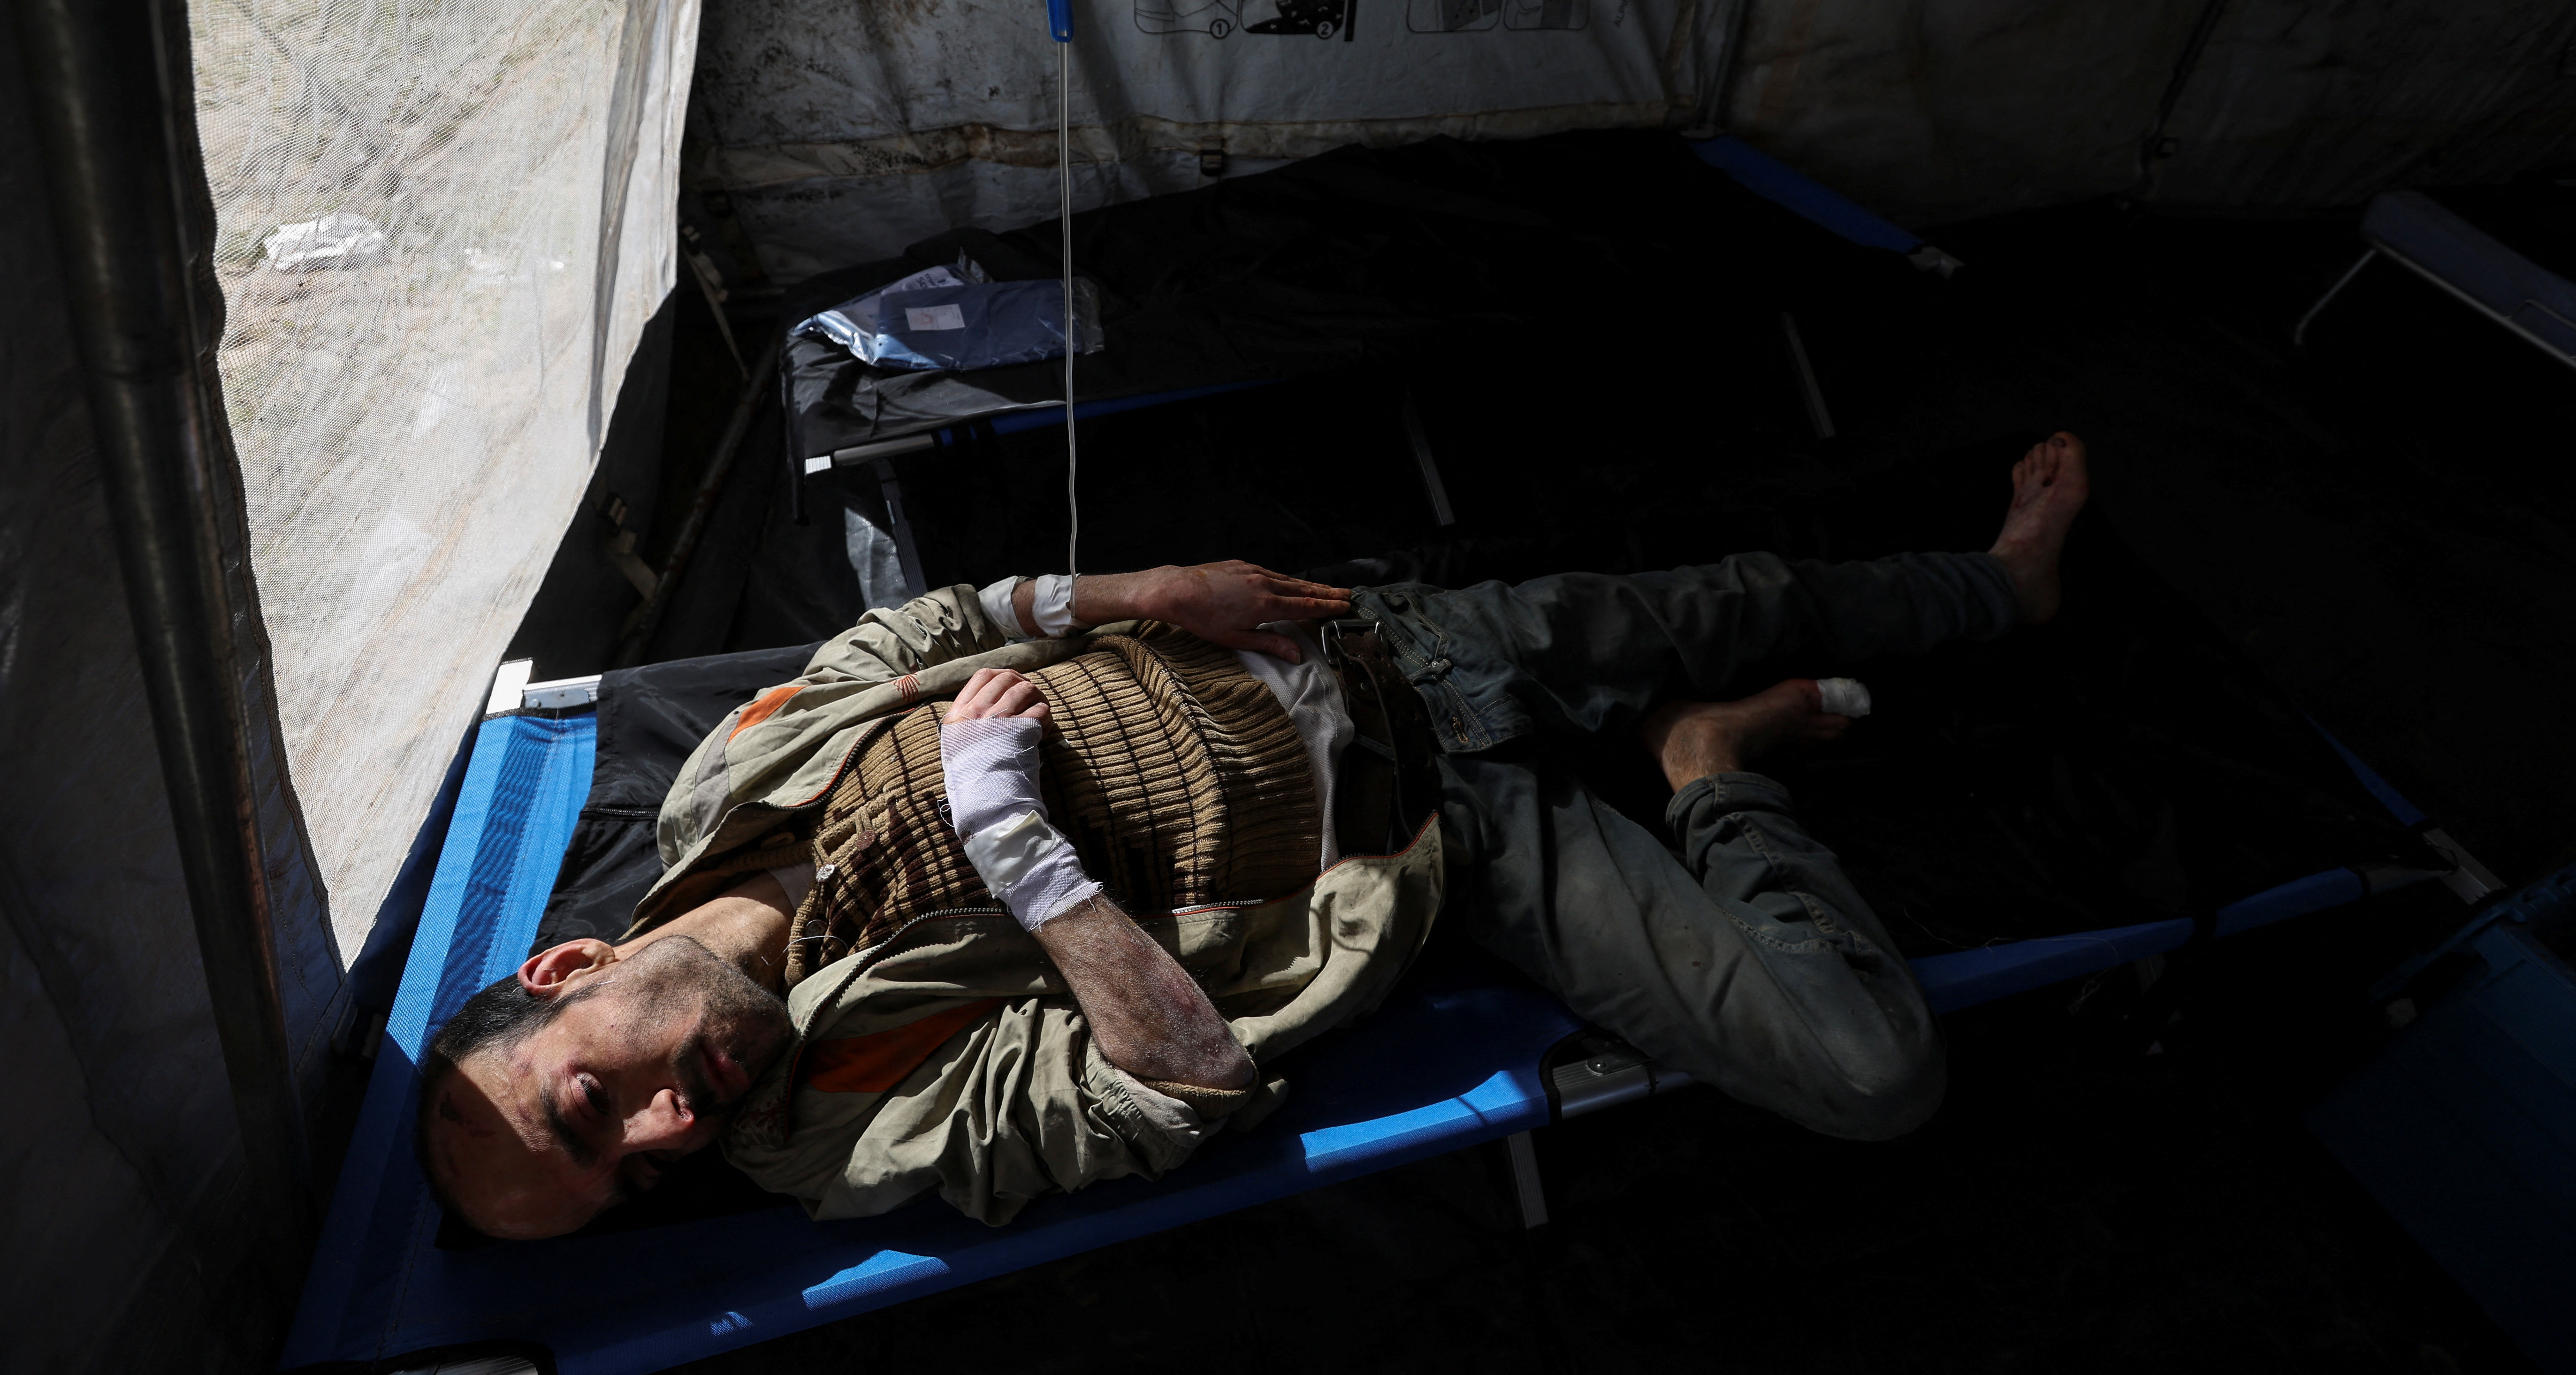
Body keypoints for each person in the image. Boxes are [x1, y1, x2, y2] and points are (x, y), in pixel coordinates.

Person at [418, 434, 2091, 1239]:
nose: (662, 1131)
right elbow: (1178, 1082)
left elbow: (885, 646)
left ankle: (1997, 589)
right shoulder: (839, 1123)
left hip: (1364, 649)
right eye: (629, 1175)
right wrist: (1025, 856)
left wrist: (1138, 591)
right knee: (1870, 1071)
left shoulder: (720, 791)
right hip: (1435, 832)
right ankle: (1715, 769)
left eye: (591, 1102)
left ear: (568, 968)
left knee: (1745, 594)